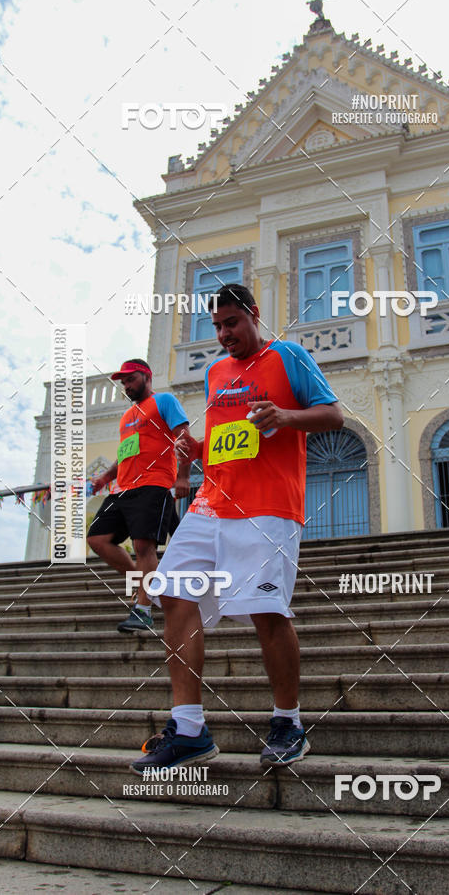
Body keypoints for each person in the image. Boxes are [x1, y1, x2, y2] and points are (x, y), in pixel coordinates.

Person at [131, 285, 343, 774]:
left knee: (266, 611)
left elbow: (333, 413)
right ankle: (188, 731)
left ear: (253, 315)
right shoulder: (215, 372)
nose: (225, 334)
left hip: (268, 508)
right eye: (218, 326)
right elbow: (232, 439)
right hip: (210, 506)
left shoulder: (287, 355)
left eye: (232, 322)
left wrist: (286, 415)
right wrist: (197, 450)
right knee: (174, 594)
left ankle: (287, 723)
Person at [87, 359, 190, 632]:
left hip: (154, 484)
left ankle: (143, 610)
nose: (126, 386)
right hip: (123, 489)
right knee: (97, 539)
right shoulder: (126, 417)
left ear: (146, 376)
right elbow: (125, 454)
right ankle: (145, 583)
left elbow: (184, 438)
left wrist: (183, 476)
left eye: (130, 379)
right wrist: (104, 479)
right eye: (123, 382)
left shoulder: (164, 401)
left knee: (144, 546)